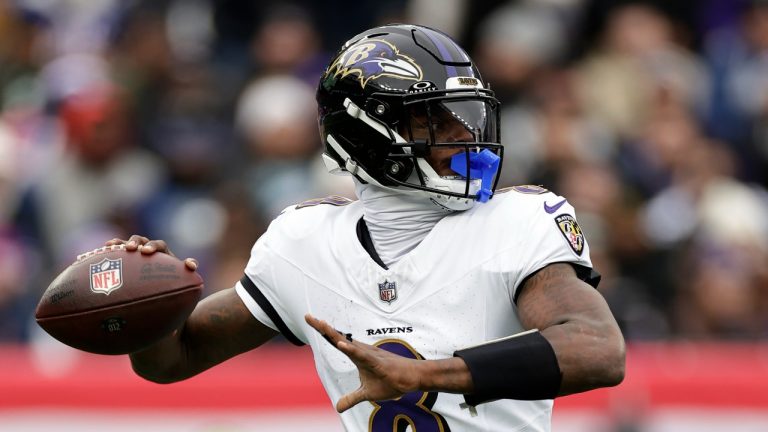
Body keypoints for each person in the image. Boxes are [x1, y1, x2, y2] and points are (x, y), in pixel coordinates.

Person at [109, 24, 625, 432]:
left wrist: (424, 376)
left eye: (463, 116)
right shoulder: (305, 243)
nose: (464, 137)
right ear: (365, 133)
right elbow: (174, 359)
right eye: (434, 120)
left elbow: (597, 348)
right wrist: (144, 306)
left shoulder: (516, 221)